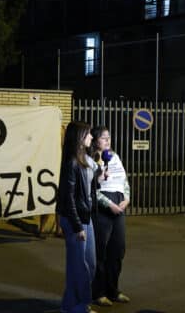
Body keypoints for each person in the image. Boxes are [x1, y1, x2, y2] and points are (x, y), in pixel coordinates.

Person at [56, 121, 100, 313]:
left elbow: (88, 189)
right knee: (79, 266)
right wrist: (77, 226)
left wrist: (98, 178)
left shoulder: (86, 159)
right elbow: (69, 198)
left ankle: (69, 304)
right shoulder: (72, 162)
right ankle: (79, 306)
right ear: (80, 137)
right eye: (89, 134)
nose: (92, 137)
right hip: (75, 219)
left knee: (88, 263)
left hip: (85, 217)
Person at [88, 126, 131, 307]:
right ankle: (98, 292)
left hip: (119, 205)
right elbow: (91, 189)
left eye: (109, 137)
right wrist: (109, 204)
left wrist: (127, 198)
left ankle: (113, 290)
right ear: (95, 140)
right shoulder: (90, 160)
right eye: (103, 138)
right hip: (103, 208)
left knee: (117, 250)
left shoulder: (114, 156)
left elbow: (124, 180)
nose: (107, 140)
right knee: (100, 253)